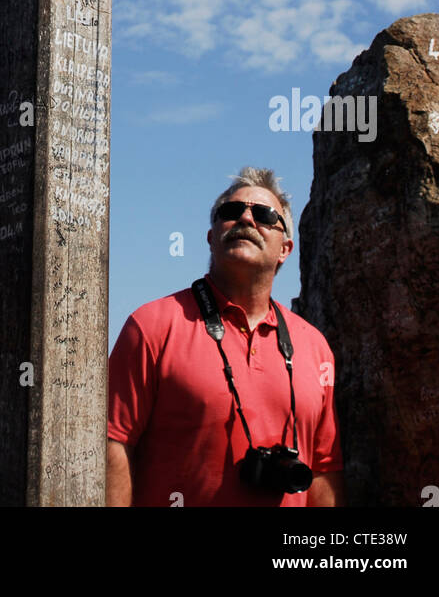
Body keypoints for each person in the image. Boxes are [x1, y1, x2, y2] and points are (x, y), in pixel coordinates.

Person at [106, 166, 343, 507]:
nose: (246, 218)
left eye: (264, 215)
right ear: (210, 237)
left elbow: (323, 470)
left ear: (285, 249)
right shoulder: (151, 325)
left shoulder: (315, 348)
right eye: (230, 212)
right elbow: (114, 443)